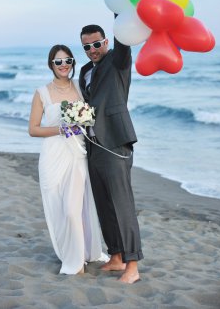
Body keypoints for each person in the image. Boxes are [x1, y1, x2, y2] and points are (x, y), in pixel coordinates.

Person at [28, 44, 105, 275]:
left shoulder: (81, 87)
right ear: (51, 64)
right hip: (52, 156)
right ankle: (69, 251)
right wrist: (60, 130)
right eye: (58, 62)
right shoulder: (42, 92)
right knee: (58, 209)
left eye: (67, 60)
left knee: (74, 209)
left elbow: (91, 116)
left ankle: (76, 261)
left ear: (72, 62)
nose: (64, 65)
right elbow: (33, 129)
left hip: (76, 155)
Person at [79, 25, 144, 284]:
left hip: (115, 144)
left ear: (105, 41)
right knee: (104, 204)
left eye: (96, 44)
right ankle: (116, 256)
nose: (93, 50)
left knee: (122, 205)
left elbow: (124, 40)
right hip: (93, 145)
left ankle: (133, 266)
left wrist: (119, 13)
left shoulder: (118, 61)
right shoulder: (84, 71)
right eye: (87, 47)